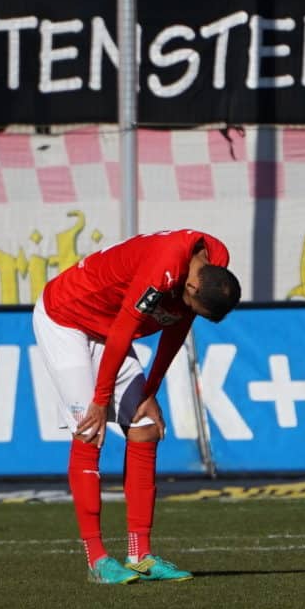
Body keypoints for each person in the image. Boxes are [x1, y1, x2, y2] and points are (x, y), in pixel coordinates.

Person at [32, 228, 240, 585]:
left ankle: (140, 555)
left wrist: (150, 391)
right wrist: (99, 402)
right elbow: (124, 331)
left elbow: (177, 330)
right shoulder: (165, 268)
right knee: (89, 429)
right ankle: (96, 559)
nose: (191, 312)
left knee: (145, 426)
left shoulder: (213, 266)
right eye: (193, 306)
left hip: (106, 326)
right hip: (66, 317)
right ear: (190, 288)